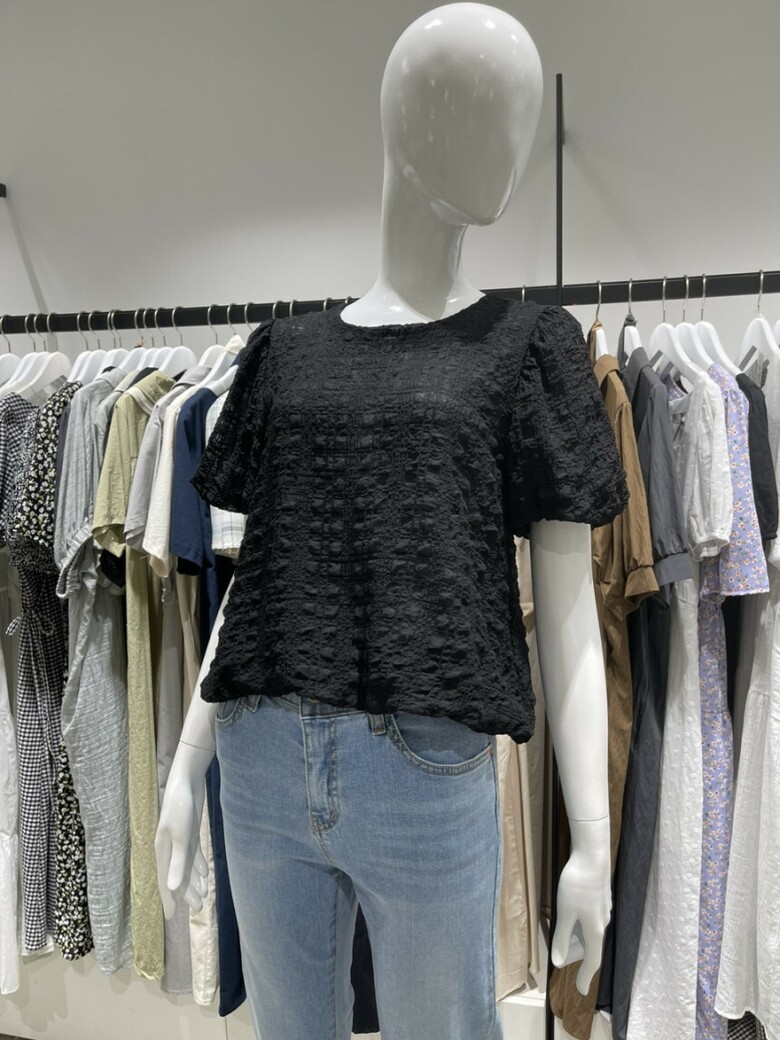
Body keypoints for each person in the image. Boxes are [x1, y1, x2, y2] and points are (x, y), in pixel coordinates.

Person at [156, 5, 627, 1038]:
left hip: (425, 769)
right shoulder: (284, 353)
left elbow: (569, 618)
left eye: (518, 114)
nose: (507, 142)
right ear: (403, 119)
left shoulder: (527, 347)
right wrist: (188, 761)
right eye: (479, 105)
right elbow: (255, 585)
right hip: (261, 757)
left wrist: (592, 838)